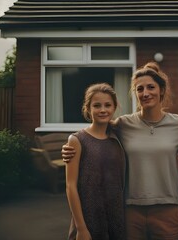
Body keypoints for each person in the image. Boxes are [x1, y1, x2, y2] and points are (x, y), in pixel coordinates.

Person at [63, 62, 178, 240]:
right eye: (140, 89)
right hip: (131, 211)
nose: (145, 93)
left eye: (151, 87)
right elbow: (96, 131)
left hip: (168, 210)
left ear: (161, 90)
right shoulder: (123, 124)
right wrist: (72, 145)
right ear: (135, 94)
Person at [65, 83, 126, 240]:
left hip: (115, 218)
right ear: (88, 108)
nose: (103, 110)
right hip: (88, 218)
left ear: (114, 108)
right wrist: (81, 228)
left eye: (108, 105)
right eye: (97, 105)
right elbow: (70, 186)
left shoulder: (117, 137)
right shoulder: (77, 140)